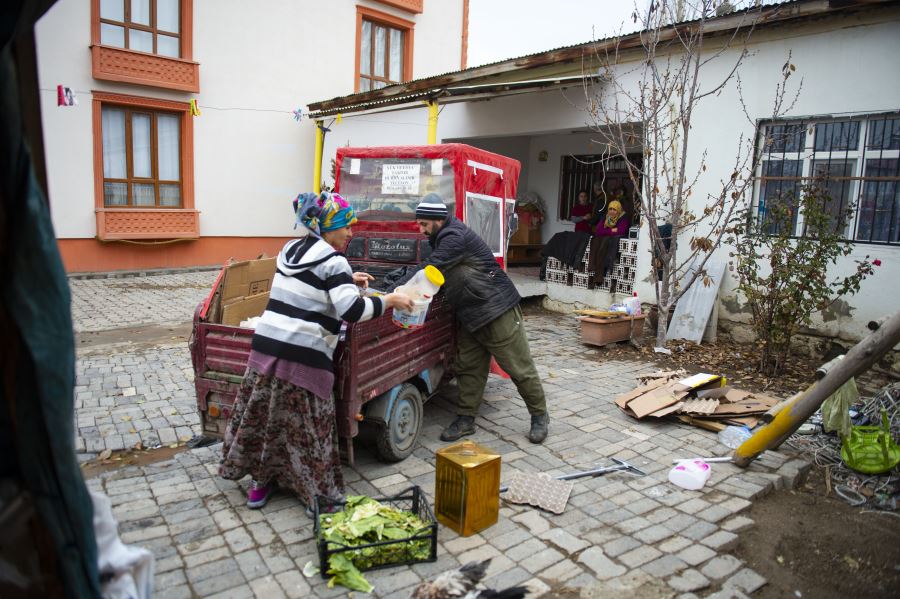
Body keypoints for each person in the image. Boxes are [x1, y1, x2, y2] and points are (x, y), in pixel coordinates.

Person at [219, 192, 414, 510]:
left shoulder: (290, 250)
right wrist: (391, 300)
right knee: (310, 430)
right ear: (329, 227)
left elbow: (308, 283)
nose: (351, 233)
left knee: (268, 419)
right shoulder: (334, 260)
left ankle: (259, 486)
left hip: (265, 350)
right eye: (346, 226)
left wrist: (347, 279)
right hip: (303, 358)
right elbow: (351, 310)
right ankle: (319, 498)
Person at [397, 193, 549, 444]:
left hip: (497, 310)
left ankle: (539, 416)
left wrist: (394, 291)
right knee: (469, 367)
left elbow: (428, 270)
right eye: (419, 223)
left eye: (424, 224)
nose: (420, 229)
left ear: (438, 220)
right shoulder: (440, 236)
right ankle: (466, 419)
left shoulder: (453, 238)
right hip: (470, 313)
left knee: (519, 367)